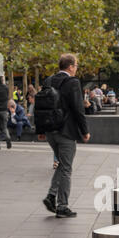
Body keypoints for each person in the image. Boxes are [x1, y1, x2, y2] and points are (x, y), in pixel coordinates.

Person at [40, 53, 90, 218]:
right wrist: (84, 131)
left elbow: (42, 106)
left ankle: (51, 195)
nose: (76, 69)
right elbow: (78, 109)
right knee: (66, 168)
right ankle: (62, 206)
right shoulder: (73, 82)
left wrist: (40, 130)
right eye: (76, 66)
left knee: (62, 164)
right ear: (70, 66)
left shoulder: (48, 80)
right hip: (66, 131)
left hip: (49, 131)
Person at [0, 76, 12, 149]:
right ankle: (8, 138)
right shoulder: (6, 88)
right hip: (4, 110)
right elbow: (7, 97)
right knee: (4, 127)